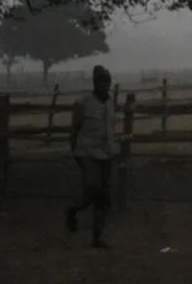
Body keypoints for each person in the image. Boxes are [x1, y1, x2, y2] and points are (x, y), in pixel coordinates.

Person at [67, 65, 117, 248]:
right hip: (87, 151)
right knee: (93, 188)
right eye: (102, 82)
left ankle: (97, 236)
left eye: (108, 82)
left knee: (103, 196)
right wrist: (75, 151)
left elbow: (111, 128)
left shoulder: (111, 103)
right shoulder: (83, 103)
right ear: (95, 84)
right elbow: (74, 130)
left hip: (106, 152)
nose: (106, 86)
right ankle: (73, 210)